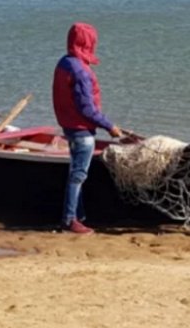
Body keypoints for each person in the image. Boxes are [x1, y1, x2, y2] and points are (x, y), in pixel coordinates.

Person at [53, 22, 122, 234]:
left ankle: (78, 216)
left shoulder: (64, 63)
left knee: (76, 173)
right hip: (82, 132)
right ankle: (70, 220)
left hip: (69, 128)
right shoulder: (80, 72)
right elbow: (87, 108)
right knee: (78, 175)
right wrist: (110, 127)